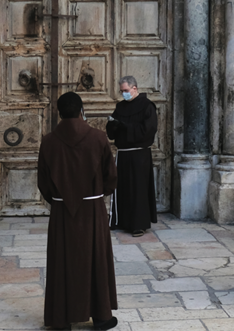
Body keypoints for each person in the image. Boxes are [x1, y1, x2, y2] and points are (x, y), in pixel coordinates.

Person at [38, 92, 118, 331]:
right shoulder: (99, 138)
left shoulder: (48, 141)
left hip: (62, 211)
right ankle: (102, 317)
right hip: (92, 210)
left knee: (62, 261)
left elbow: (43, 182)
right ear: (81, 110)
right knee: (95, 260)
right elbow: (111, 177)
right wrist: (93, 195)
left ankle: (61, 320)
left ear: (59, 113)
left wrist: (61, 200)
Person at [106, 76, 157, 237]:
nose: (123, 94)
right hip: (123, 155)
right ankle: (120, 220)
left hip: (139, 154)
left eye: (126, 91)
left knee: (138, 189)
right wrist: (113, 125)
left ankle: (138, 224)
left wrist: (125, 127)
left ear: (134, 88)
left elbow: (148, 130)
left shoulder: (147, 106)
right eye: (122, 91)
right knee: (122, 188)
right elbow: (112, 133)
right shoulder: (120, 107)